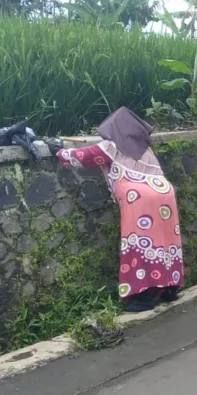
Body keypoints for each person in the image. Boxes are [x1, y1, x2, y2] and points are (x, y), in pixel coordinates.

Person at [52, 108, 183, 312]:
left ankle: (143, 298)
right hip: (165, 194)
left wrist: (58, 150)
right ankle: (170, 290)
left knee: (140, 245)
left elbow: (84, 156)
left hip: (139, 199)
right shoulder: (144, 149)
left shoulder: (111, 146)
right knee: (166, 241)